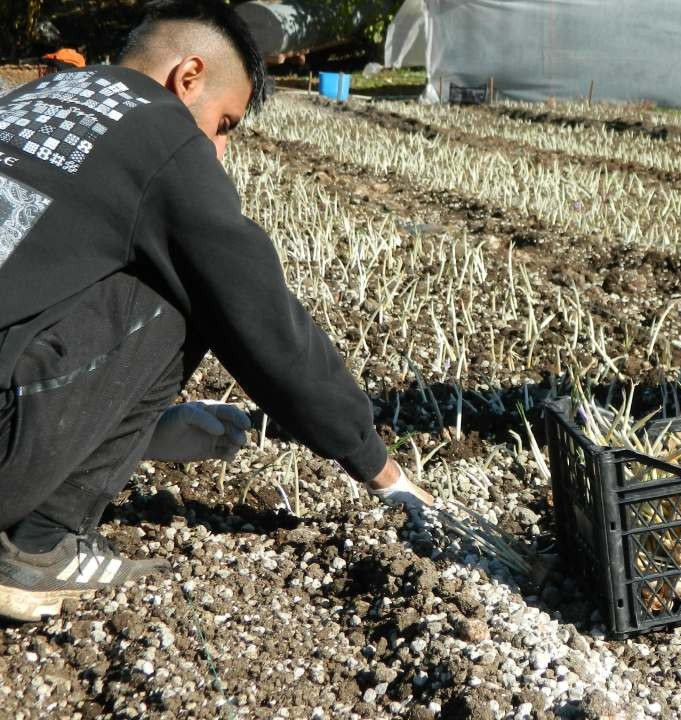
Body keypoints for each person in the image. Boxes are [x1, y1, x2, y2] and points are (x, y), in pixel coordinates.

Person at [0, 0, 430, 623]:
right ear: (188, 76)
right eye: (225, 122)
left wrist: (144, 431)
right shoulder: (160, 132)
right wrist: (378, 467)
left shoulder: (31, 101)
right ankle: (45, 541)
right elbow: (262, 321)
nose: (220, 149)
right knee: (197, 283)